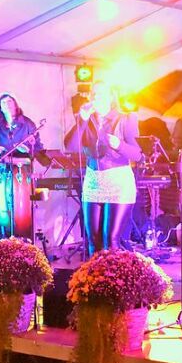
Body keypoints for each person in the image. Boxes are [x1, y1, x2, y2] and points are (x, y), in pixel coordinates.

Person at [73, 81, 140, 256]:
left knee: (110, 239)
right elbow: (71, 146)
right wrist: (82, 120)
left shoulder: (126, 118)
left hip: (118, 180)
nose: (97, 98)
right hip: (93, 181)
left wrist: (120, 145)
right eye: (94, 94)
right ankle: (93, 281)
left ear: (110, 97)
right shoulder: (86, 119)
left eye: (101, 94)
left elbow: (138, 154)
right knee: (93, 240)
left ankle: (113, 281)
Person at [0, 93, 44, 157]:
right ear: (1, 109)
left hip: (23, 164)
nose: (7, 104)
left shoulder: (27, 123)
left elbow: (38, 147)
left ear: (15, 105)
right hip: (5, 164)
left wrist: (28, 150)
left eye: (9, 101)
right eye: (3, 102)